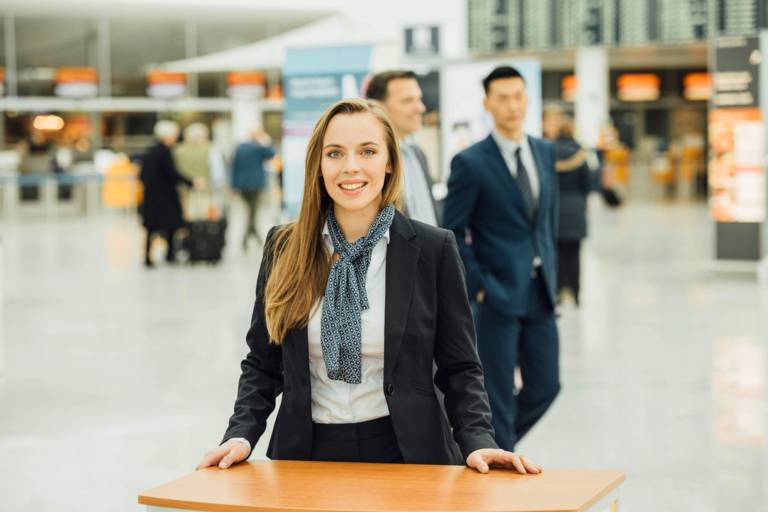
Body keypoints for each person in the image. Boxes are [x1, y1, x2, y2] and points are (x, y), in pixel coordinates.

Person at [197, 98, 540, 475]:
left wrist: (478, 440)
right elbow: (262, 362)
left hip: (407, 451)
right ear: (318, 165)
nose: (351, 167)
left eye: (368, 151)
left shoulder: (432, 249)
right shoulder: (284, 247)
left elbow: (460, 366)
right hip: (305, 454)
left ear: (390, 162)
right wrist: (241, 434)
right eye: (335, 153)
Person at [442, 66, 561, 452]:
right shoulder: (471, 162)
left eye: (518, 96)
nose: (512, 105)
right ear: (487, 104)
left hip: (540, 292)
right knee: (498, 395)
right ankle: (499, 469)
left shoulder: (544, 151)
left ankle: (486, 449)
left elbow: (545, 221)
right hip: (496, 295)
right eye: (503, 98)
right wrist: (478, 286)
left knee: (546, 385)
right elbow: (453, 232)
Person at [366, 70, 439, 226]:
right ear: (378, 107)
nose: (421, 108)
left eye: (419, 99)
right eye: (407, 101)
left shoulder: (417, 154)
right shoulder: (370, 161)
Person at [139, 120, 192, 267]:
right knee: (171, 225)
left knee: (151, 228)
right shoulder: (165, 153)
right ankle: (170, 255)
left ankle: (148, 258)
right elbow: (172, 174)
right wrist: (190, 182)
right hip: (165, 196)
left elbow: (142, 175)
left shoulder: (149, 152)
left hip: (151, 196)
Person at [553, 118, 592, 306]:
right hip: (576, 207)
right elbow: (589, 183)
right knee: (574, 253)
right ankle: (576, 292)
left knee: (557, 253)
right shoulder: (581, 154)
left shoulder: (549, 152)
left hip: (556, 208)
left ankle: (559, 290)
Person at [231, 128, 275, 249]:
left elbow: (234, 167)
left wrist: (234, 186)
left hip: (242, 185)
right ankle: (250, 237)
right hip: (256, 184)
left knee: (251, 211)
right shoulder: (258, 148)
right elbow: (271, 153)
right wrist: (265, 141)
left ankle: (250, 236)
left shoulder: (239, 148)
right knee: (253, 211)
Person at [174, 122, 211, 219]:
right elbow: (217, 171)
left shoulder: (178, 150)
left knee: (186, 215)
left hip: (183, 188)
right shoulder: (210, 149)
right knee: (203, 216)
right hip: (205, 187)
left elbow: (174, 170)